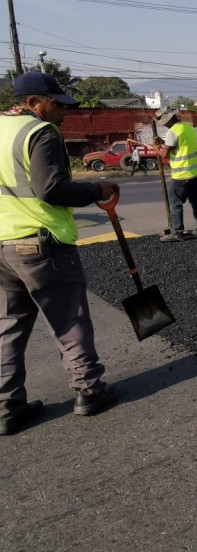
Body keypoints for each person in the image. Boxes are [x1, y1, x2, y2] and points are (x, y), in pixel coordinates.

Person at [0, 71, 120, 436]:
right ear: (34, 103)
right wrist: (97, 188)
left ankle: (7, 408)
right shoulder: (39, 133)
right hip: (41, 244)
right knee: (69, 319)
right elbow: (51, 189)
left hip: (3, 247)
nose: (62, 113)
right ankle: (89, 389)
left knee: (8, 327)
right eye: (56, 104)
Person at [154, 108, 197, 242]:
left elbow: (164, 155)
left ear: (170, 119)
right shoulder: (188, 127)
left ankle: (177, 232)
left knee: (176, 204)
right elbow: (179, 145)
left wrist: (155, 149)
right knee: (196, 202)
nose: (165, 125)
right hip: (195, 173)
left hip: (181, 175)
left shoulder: (173, 132)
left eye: (165, 122)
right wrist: (163, 142)